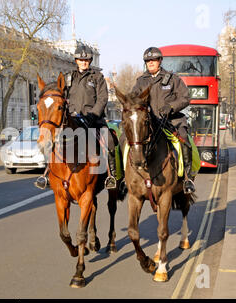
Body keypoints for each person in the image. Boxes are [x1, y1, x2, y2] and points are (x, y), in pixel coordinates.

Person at [35, 44, 121, 191]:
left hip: (93, 119)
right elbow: (60, 96)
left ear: (90, 61)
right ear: (76, 61)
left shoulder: (97, 77)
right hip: (73, 118)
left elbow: (102, 99)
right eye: (81, 60)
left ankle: (110, 175)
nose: (83, 62)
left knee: (110, 141)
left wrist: (92, 115)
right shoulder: (69, 77)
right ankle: (47, 174)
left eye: (86, 60)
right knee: (53, 141)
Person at [131, 47, 195, 194]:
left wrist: (171, 107)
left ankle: (187, 178)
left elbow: (185, 98)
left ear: (160, 61)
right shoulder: (141, 81)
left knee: (184, 139)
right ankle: (123, 179)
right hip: (148, 122)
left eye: (153, 60)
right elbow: (133, 98)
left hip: (170, 120)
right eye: (148, 61)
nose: (150, 63)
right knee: (125, 140)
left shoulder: (172, 79)